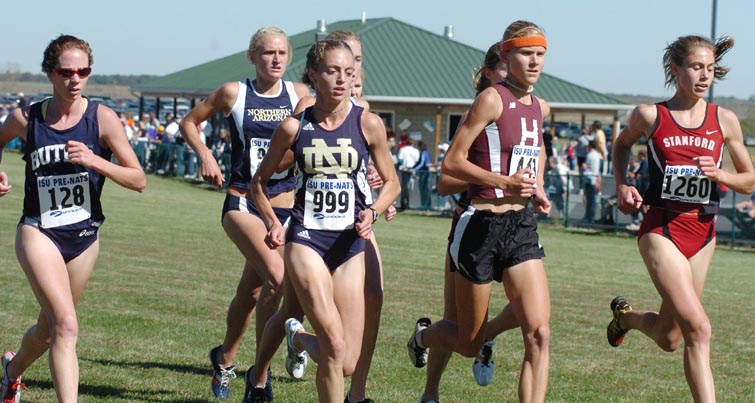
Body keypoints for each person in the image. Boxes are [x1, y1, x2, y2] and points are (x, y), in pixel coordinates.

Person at [244, 29, 396, 403]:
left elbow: (392, 182)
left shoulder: (368, 123)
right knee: (333, 341)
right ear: (313, 74)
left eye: (348, 72)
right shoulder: (295, 126)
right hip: (307, 239)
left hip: (349, 243)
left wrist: (373, 210)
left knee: (344, 361)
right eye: (331, 71)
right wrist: (273, 222)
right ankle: (287, 348)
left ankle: (295, 336)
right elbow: (258, 184)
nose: (342, 79)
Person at [409, 21, 552, 403]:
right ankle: (422, 336)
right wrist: (503, 181)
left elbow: (535, 149)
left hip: (520, 224)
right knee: (468, 342)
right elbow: (451, 164)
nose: (535, 62)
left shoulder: (541, 106)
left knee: (539, 332)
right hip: (479, 224)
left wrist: (537, 187)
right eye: (526, 53)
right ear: (505, 56)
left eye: (540, 54)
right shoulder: (491, 99)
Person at [0, 34, 146, 403]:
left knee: (49, 330)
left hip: (83, 237)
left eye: (84, 71)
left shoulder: (102, 118)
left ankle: (11, 371)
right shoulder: (27, 117)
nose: (75, 79)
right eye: (66, 72)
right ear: (50, 73)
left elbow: (138, 179)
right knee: (67, 325)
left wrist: (95, 160)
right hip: (38, 231)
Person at [609, 35, 755, 403]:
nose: (704, 75)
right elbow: (622, 144)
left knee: (669, 337)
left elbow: (749, 179)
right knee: (700, 329)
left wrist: (722, 176)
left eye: (709, 68)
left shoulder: (725, 120)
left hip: (703, 233)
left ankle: (624, 319)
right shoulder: (649, 116)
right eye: (695, 67)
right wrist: (623, 184)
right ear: (675, 69)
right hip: (662, 228)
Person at [177, 26, 310, 400]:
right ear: (253, 57)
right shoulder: (235, 93)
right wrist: (205, 154)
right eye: (268, 53)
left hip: (285, 205)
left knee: (251, 292)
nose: (277, 59)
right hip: (242, 202)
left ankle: (223, 357)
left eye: (283, 53)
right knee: (278, 277)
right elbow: (189, 121)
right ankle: (260, 376)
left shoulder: (299, 95)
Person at [581, 140, 601, 225]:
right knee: (591, 200)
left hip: (589, 179)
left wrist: (584, 167)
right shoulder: (597, 155)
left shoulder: (590, 155)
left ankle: (589, 218)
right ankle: (590, 217)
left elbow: (586, 167)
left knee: (589, 201)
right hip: (593, 179)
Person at [397, 137, 419, 210]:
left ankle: (404, 204)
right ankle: (410, 203)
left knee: (404, 187)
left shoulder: (403, 150)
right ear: (412, 143)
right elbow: (417, 160)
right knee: (411, 187)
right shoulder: (416, 151)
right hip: (412, 170)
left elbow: (400, 160)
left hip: (405, 169)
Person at [414, 141, 432, 209]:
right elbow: (418, 163)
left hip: (424, 174)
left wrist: (414, 169)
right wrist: (412, 167)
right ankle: (424, 204)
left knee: (424, 189)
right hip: (423, 173)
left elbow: (422, 164)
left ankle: (425, 204)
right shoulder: (425, 153)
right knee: (423, 189)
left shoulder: (424, 153)